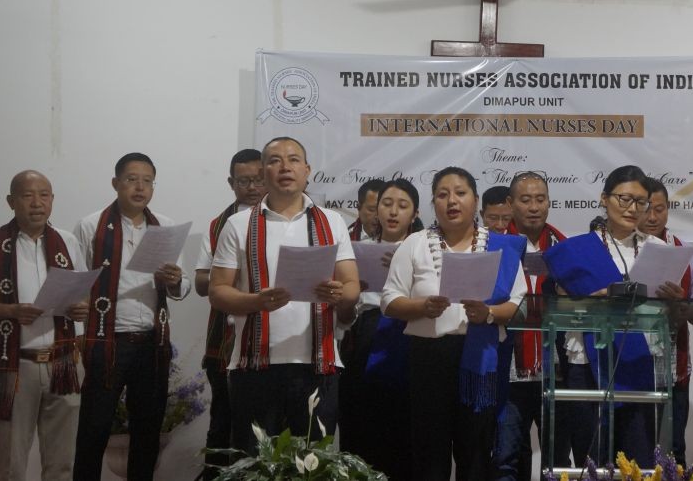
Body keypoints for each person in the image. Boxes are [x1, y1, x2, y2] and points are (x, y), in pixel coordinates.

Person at [209, 137, 359, 455]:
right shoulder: (237, 225)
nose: (285, 166)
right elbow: (218, 291)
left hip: (318, 365)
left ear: (307, 171)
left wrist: (338, 293)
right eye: (275, 160)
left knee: (314, 464)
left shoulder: (332, 222)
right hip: (255, 367)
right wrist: (255, 302)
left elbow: (352, 286)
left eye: (293, 159)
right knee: (256, 463)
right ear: (264, 173)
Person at [381, 167, 527, 481]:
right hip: (429, 357)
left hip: (480, 359)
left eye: (460, 193)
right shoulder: (415, 244)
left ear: (475, 200)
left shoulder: (502, 247)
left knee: (475, 451)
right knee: (428, 450)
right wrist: (422, 307)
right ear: (433, 203)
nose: (452, 201)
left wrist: (487, 315)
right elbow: (389, 302)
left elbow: (517, 305)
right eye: (443, 194)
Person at [73, 153, 191, 480]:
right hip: (105, 340)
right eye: (131, 179)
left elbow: (183, 287)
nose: (140, 187)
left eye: (147, 180)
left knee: (148, 430)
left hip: (152, 342)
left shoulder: (166, 228)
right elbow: (77, 284)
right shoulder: (90, 226)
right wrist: (80, 336)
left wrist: (175, 279)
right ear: (116, 183)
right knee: (93, 428)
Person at [0, 171, 88, 481]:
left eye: (45, 194)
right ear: (11, 201)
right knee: (12, 464)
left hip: (64, 363)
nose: (38, 203)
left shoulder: (68, 241)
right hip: (13, 366)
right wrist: (9, 310)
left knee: (62, 463)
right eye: (28, 195)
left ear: (52, 200)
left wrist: (81, 308)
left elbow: (81, 292)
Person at [554, 165, 678, 469]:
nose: (632, 208)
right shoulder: (577, 250)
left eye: (640, 201)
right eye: (624, 199)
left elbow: (670, 318)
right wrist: (589, 300)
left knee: (638, 458)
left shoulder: (658, 250)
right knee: (592, 457)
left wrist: (674, 302)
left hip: (638, 362)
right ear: (604, 198)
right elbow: (558, 309)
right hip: (588, 364)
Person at [339, 178, 422, 480]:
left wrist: (404, 274)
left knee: (404, 424)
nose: (392, 212)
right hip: (364, 335)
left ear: (414, 214)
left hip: (408, 337)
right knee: (362, 420)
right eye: (386, 204)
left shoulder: (425, 249)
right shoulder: (355, 250)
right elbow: (345, 308)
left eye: (402, 206)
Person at [193, 148, 265, 480]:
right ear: (230, 182)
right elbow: (201, 282)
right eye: (243, 181)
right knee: (222, 420)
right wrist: (229, 277)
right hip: (223, 342)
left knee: (261, 426)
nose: (252, 187)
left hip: (268, 340)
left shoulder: (280, 220)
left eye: (257, 179)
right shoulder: (217, 226)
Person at [492, 171, 566, 481]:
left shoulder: (565, 246)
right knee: (506, 456)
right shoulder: (493, 245)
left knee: (557, 456)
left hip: (555, 367)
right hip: (507, 365)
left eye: (540, 199)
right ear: (510, 204)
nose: (534, 207)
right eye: (525, 200)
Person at [638, 177, 693, 467]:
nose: (652, 217)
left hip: (675, 364)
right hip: (631, 363)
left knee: (675, 447)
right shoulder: (621, 251)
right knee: (633, 447)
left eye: (659, 209)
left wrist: (680, 303)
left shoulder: (684, 252)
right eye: (645, 208)